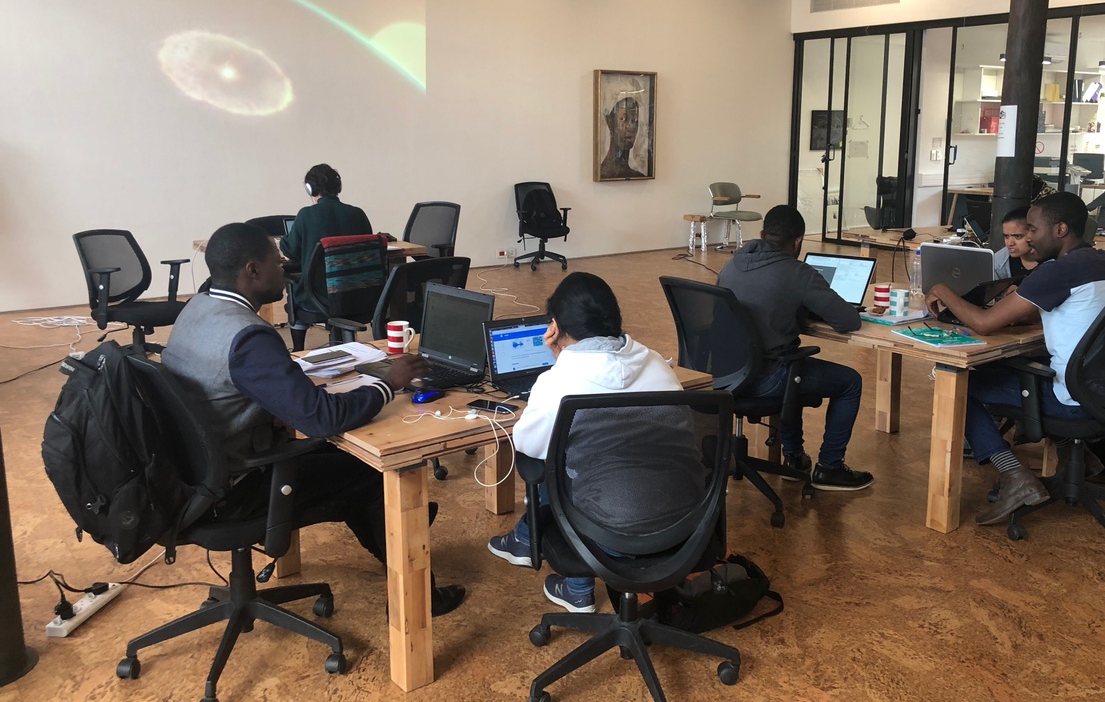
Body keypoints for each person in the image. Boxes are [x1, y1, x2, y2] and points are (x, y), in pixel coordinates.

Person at [163, 222, 466, 616]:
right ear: (252, 270)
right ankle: (416, 596)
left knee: (344, 467)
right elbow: (322, 419)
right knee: (369, 473)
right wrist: (388, 383)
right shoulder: (248, 337)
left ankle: (402, 535)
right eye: (278, 262)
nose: (286, 270)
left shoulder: (200, 307)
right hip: (233, 489)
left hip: (195, 472)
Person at [925, 192, 1105, 525]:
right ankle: (1078, 457)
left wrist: (942, 289)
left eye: (1033, 230)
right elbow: (1080, 312)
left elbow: (984, 323)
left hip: (1076, 399)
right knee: (1015, 367)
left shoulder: (1058, 272)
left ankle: (1015, 477)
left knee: (959, 382)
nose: (1027, 238)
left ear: (1060, 230)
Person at [487, 272, 683, 613]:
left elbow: (529, 445)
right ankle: (551, 565)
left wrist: (558, 364)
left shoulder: (559, 381)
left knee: (554, 463)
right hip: (684, 523)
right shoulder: (657, 365)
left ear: (556, 327)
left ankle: (571, 581)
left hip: (607, 531)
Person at [716, 205, 873, 491]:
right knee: (849, 381)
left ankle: (794, 458)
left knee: (792, 363)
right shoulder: (797, 272)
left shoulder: (734, 263)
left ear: (762, 234)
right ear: (798, 241)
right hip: (765, 378)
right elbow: (849, 321)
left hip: (726, 373)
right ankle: (830, 467)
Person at [279, 163, 373, 351]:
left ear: (310, 189)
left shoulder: (306, 215)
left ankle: (298, 350)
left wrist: (282, 242)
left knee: (295, 291)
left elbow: (290, 252)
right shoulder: (358, 214)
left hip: (318, 300)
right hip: (358, 299)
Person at [598, 93, 650, 179]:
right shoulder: (603, 172)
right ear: (610, 122)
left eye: (634, 120)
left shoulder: (637, 176)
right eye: (623, 119)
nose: (631, 126)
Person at [992, 206, 1039, 285]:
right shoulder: (999, 262)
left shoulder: (1053, 261)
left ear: (1033, 233)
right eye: (1006, 236)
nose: (1010, 243)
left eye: (1018, 236)